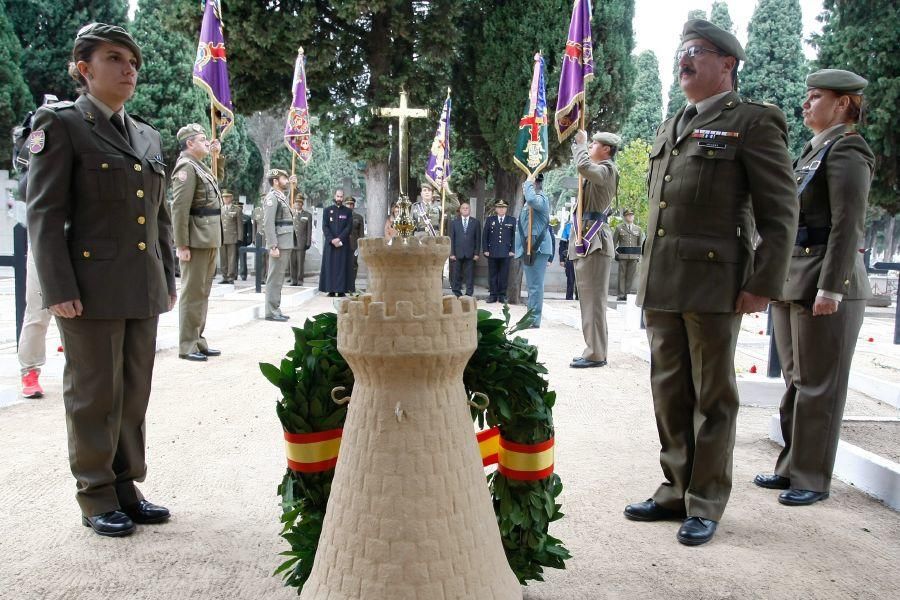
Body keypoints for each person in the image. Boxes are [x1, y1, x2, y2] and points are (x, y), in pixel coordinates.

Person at [626, 19, 797, 546]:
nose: (685, 60)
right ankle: (675, 488)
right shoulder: (673, 122)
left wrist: (763, 283)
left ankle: (705, 501)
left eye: (696, 52)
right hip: (663, 283)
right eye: (682, 51)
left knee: (713, 397)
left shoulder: (754, 120)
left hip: (714, 285)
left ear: (727, 64)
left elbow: (780, 212)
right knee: (668, 391)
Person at [26, 22, 176, 537]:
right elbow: (45, 215)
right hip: (88, 290)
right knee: (94, 394)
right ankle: (95, 496)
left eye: (133, 60)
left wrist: (168, 275)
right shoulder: (62, 124)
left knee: (134, 393)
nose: (129, 68)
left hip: (141, 284)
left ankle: (126, 487)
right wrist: (58, 288)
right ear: (84, 69)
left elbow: (159, 217)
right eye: (115, 58)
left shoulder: (147, 134)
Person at [754, 69, 874, 507]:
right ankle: (791, 466)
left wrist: (833, 287)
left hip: (826, 281)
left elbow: (847, 223)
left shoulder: (848, 149)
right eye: (806, 96)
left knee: (820, 384)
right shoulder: (812, 150)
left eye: (816, 96)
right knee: (796, 381)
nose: (806, 104)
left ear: (843, 104)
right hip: (795, 279)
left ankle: (812, 477)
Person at [171, 122, 224, 362]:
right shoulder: (185, 167)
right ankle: (187, 344)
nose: (207, 141)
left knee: (203, 293)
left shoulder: (198, 166)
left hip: (209, 236)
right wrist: (181, 245)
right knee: (192, 294)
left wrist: (217, 156)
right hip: (196, 238)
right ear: (189, 143)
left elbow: (217, 180)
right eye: (202, 139)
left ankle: (198, 339)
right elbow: (179, 209)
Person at [569, 131, 620, 369]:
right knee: (588, 301)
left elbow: (584, 168)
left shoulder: (607, 169)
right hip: (589, 242)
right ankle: (593, 349)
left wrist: (579, 146)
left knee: (594, 303)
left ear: (607, 149)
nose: (590, 145)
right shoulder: (599, 169)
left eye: (594, 144)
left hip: (595, 241)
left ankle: (596, 353)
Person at [515, 175, 553, 327]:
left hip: (538, 247)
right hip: (528, 248)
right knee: (532, 285)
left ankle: (534, 319)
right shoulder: (529, 204)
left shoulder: (540, 200)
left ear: (535, 184)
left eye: (529, 184)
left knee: (536, 286)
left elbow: (531, 199)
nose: (525, 187)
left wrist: (528, 184)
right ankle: (530, 316)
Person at [262, 169, 296, 321]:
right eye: (284, 178)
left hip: (285, 242)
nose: (287, 180)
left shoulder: (281, 197)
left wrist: (294, 185)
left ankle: (275, 308)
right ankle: (271, 311)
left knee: (279, 277)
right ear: (275, 181)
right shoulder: (272, 197)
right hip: (279, 244)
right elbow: (268, 223)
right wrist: (273, 245)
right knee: (274, 278)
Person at [319, 188, 354, 296]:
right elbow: (325, 227)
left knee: (342, 267)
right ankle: (331, 290)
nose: (339, 198)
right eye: (338, 196)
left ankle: (341, 290)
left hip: (343, 244)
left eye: (341, 196)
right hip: (330, 244)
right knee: (330, 267)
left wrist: (339, 238)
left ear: (343, 198)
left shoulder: (348, 212)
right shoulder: (327, 210)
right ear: (334, 196)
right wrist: (331, 239)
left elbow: (348, 227)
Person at [482, 199, 516, 303]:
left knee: (504, 275)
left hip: (506, 252)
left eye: (503, 207)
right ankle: (493, 295)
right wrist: (486, 249)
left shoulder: (512, 220)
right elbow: (485, 236)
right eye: (499, 207)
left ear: (506, 209)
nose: (501, 209)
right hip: (492, 252)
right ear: (496, 209)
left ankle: (502, 295)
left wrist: (512, 249)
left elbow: (514, 236)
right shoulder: (490, 220)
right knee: (492, 274)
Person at [449, 200, 481, 297]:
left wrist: (476, 253)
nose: (465, 209)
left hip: (470, 253)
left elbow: (478, 239)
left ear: (470, 210)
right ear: (460, 210)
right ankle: (456, 292)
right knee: (456, 274)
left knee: (470, 275)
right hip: (457, 253)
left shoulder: (475, 222)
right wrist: (452, 253)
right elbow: (452, 238)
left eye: (467, 208)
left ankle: (469, 293)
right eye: (463, 208)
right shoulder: (454, 222)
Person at [613, 208, 645, 300]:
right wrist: (615, 254)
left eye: (631, 215)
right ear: (624, 217)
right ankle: (621, 294)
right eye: (628, 215)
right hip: (622, 255)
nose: (630, 216)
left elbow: (640, 244)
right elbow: (614, 242)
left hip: (634, 256)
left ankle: (627, 294)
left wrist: (639, 256)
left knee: (630, 276)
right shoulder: (619, 228)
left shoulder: (638, 229)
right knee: (621, 276)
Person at [288, 193, 312, 286]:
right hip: (291, 241)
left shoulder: (307, 215)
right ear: (294, 203)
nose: (298, 204)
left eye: (300, 202)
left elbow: (309, 230)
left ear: (302, 204)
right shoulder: (290, 214)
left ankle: (300, 280)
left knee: (300, 262)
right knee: (292, 262)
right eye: (296, 202)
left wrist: (308, 242)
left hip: (301, 242)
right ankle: (293, 280)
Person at [218, 190, 241, 284]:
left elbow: (239, 225)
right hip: (222, 237)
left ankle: (230, 277)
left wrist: (239, 237)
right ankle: (224, 277)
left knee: (231, 258)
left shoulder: (237, 209)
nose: (225, 199)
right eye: (224, 197)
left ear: (231, 198)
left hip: (232, 237)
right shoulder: (220, 209)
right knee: (223, 258)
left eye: (227, 197)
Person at [346, 196, 365, 287]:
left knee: (353, 264)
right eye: (348, 204)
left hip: (354, 245)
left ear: (353, 206)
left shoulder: (359, 217)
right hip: (343, 245)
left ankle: (351, 284)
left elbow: (361, 234)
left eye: (351, 204)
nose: (349, 206)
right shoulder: (341, 216)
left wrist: (360, 246)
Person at [558, 216, 576, 300]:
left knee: (581, 282)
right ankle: (569, 298)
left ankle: (580, 299)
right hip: (570, 256)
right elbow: (562, 244)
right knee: (570, 280)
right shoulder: (568, 226)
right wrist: (562, 259)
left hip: (582, 256)